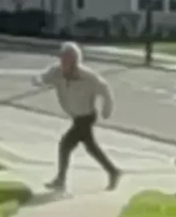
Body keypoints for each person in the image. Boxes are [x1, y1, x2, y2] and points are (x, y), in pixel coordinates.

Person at [33, 41, 122, 191]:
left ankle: (60, 180)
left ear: (75, 61)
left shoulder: (87, 77)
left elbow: (105, 89)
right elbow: (42, 77)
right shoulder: (56, 72)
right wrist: (38, 81)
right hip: (76, 116)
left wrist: (107, 110)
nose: (64, 63)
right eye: (62, 58)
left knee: (65, 145)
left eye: (67, 60)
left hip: (86, 117)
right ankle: (113, 171)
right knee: (91, 148)